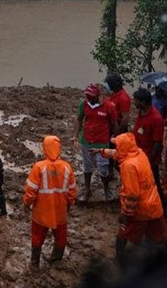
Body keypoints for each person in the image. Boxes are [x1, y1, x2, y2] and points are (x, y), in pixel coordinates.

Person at [92, 133, 167, 266]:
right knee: (163, 236)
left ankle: (120, 262)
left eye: (117, 145)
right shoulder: (140, 154)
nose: (116, 147)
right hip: (154, 205)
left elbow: (132, 194)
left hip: (139, 210)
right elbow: (120, 154)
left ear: (123, 147)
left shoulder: (128, 166)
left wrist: (125, 214)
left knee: (122, 236)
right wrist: (102, 151)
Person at [23, 135, 77, 269]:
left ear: (45, 149)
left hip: (42, 211)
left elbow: (31, 190)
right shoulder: (67, 167)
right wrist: (69, 204)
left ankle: (34, 263)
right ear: (59, 149)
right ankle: (56, 259)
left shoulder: (38, 167)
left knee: (37, 236)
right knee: (60, 236)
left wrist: (26, 203)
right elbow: (72, 190)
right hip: (60, 209)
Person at [74, 83, 117, 202]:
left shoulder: (109, 106)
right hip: (87, 141)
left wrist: (116, 139)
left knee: (103, 168)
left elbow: (114, 124)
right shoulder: (83, 104)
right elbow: (79, 119)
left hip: (102, 142)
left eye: (92, 96)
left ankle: (106, 188)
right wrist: (76, 136)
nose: (89, 98)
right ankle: (87, 189)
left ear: (98, 95)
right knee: (87, 167)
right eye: (88, 96)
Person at [130, 88, 165, 203]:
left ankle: (161, 207)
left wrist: (149, 161)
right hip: (138, 155)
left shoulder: (156, 119)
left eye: (136, 101)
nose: (134, 103)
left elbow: (158, 143)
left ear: (144, 102)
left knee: (154, 183)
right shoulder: (141, 112)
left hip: (149, 158)